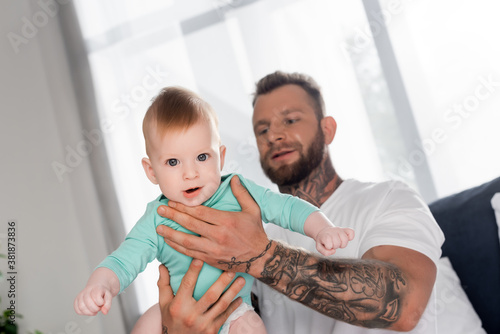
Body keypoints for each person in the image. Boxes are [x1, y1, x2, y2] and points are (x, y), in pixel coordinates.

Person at [150, 71, 445, 334]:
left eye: (290, 120)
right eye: (262, 130)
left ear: (327, 129)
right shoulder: (250, 232)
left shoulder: (388, 198)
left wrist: (260, 257)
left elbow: (405, 307)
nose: (274, 135)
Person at [74, 86, 354, 334]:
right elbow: (123, 262)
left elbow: (286, 207)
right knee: (145, 327)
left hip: (233, 310)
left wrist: (322, 228)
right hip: (173, 312)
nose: (190, 173)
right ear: (152, 171)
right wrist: (100, 286)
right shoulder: (156, 219)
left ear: (220, 157)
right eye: (173, 162)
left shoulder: (237, 190)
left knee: (252, 328)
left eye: (202, 157)